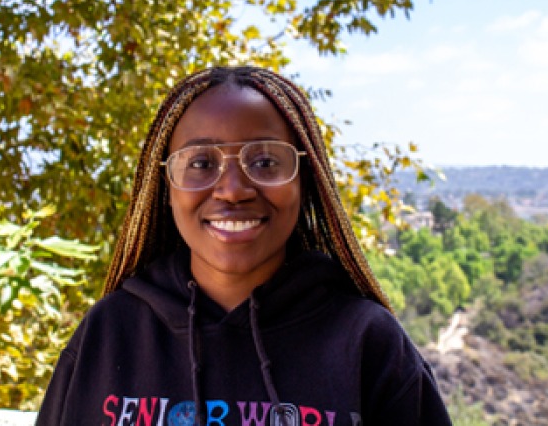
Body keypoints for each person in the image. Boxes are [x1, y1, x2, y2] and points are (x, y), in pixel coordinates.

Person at [36, 66, 452, 425]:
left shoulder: (367, 342)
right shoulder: (110, 333)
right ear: (164, 186)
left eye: (265, 162)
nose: (233, 190)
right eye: (201, 163)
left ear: (304, 181)